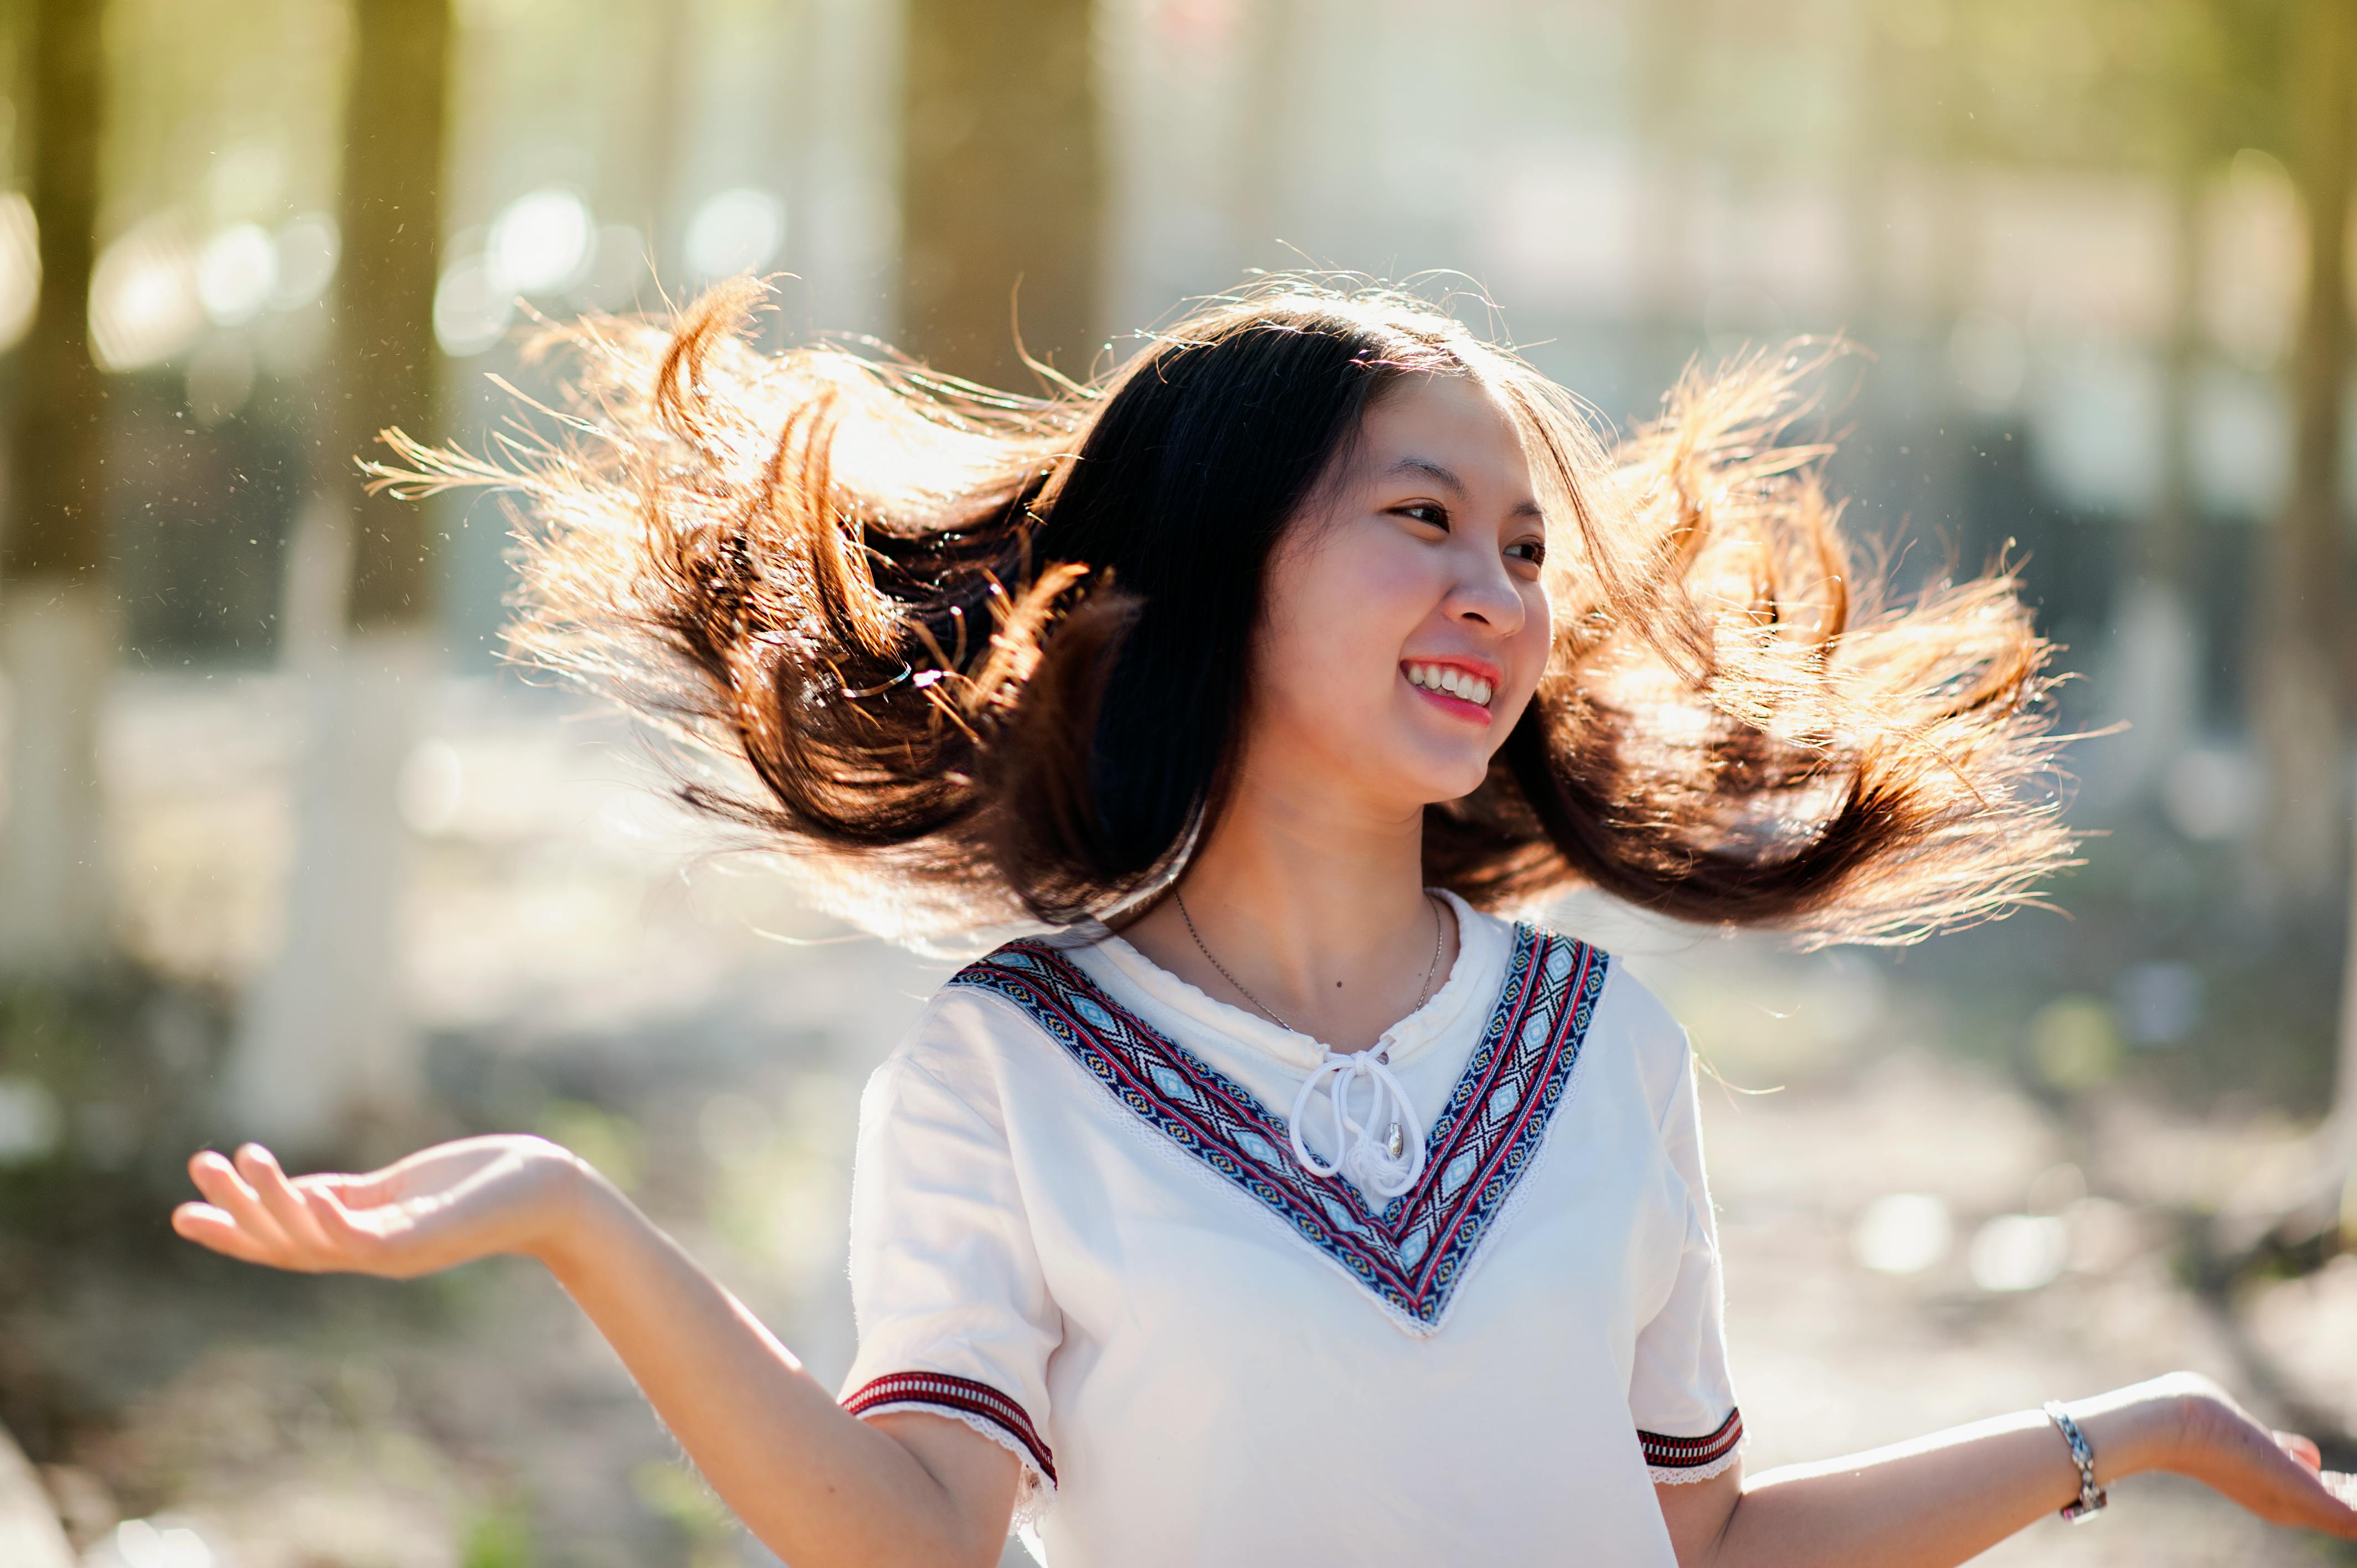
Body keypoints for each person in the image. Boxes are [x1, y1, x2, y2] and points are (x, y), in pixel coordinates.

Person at [173, 278, 2357, 1566]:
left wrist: (2135, 1433)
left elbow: (1692, 1540)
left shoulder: (1598, 1046)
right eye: (1421, 520)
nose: (1496, 595)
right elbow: (914, 1537)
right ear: (1221, 571)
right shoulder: (1010, 1068)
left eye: (1522, 550)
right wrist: (572, 1215)